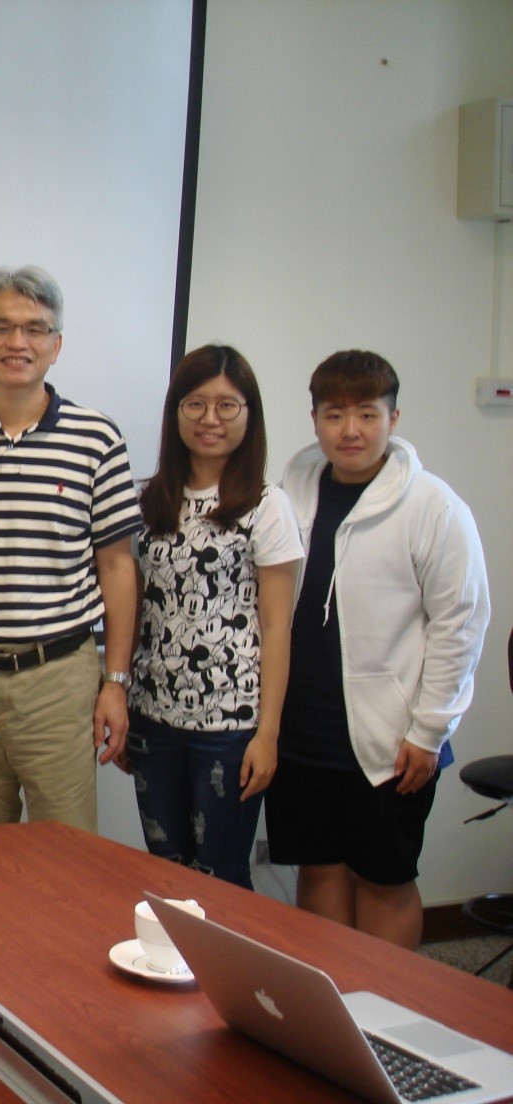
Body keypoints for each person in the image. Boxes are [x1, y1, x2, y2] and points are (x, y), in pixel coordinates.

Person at [267, 350, 489, 949]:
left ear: (394, 418)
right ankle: (330, 1018)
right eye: (335, 415)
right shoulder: (292, 491)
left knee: (385, 880)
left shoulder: (433, 506)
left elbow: (460, 624)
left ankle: (387, 1023)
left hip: (392, 740)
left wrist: (430, 729)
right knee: (318, 869)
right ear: (314, 419)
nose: (351, 430)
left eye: (367, 414)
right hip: (303, 731)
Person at [0, 265, 140, 834]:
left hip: (60, 678)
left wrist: (115, 683)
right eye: (0, 326)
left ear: (56, 345)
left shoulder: (97, 439)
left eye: (35, 329)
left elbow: (117, 568)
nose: (18, 343)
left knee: (67, 855)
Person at [127, 346, 302, 888]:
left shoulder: (267, 506)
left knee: (220, 876)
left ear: (250, 415)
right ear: (175, 411)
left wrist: (267, 734)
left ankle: (226, 977)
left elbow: (277, 627)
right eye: (195, 403)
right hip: (154, 718)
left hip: (229, 727)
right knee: (167, 871)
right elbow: (135, 611)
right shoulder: (149, 499)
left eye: (228, 406)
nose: (209, 419)